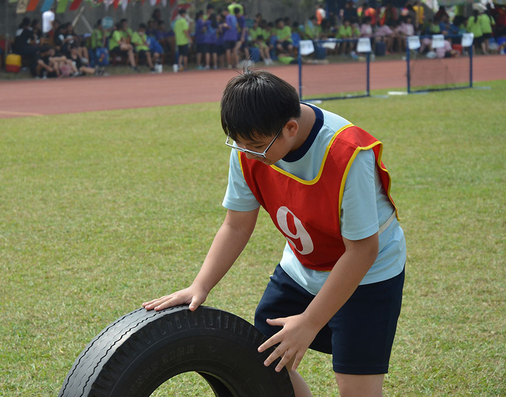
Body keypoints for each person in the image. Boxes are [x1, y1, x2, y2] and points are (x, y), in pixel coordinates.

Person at [143, 69, 406, 397]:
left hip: (366, 277)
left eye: (254, 146)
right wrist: (201, 284)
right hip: (301, 268)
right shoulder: (249, 145)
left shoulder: (347, 153)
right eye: (240, 144)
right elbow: (236, 224)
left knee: (356, 387)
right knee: (263, 358)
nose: (246, 153)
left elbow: (363, 251)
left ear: (290, 128)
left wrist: (309, 323)